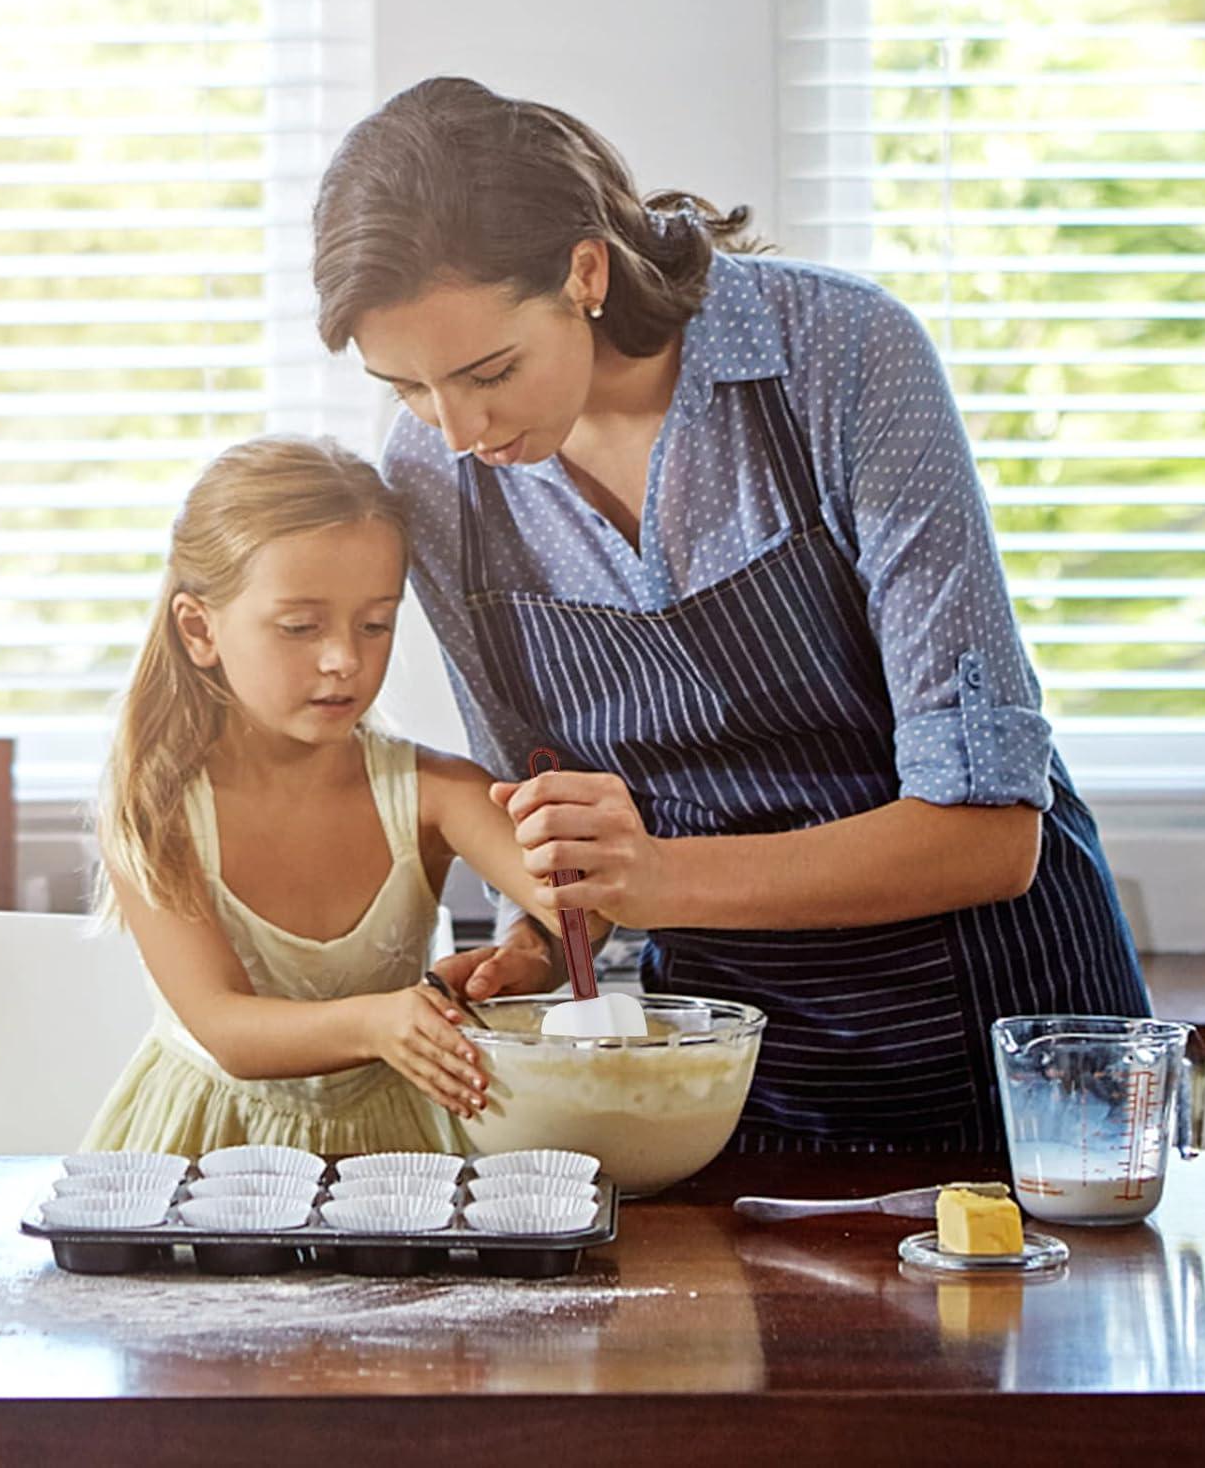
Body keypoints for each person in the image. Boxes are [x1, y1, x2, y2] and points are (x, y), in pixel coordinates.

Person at [309, 76, 1151, 1153]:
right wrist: (539, 938)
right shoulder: (436, 478)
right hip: (720, 1078)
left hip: (1001, 1037)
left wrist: (659, 878)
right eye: (408, 387)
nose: (457, 425)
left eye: (489, 371)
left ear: (585, 270)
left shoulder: (839, 356)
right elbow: (569, 832)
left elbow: (989, 836)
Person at [82, 435, 571, 1159]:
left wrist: (530, 956)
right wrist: (378, 1024)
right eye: (300, 627)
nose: (344, 658)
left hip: (400, 1152)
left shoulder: (435, 793)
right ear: (199, 628)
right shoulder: (157, 809)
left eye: (375, 624)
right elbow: (226, 1028)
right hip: (207, 1151)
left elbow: (580, 907)